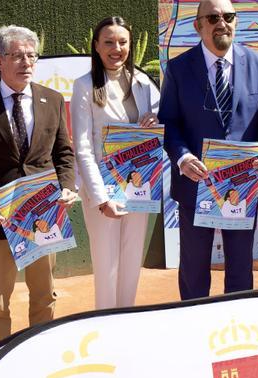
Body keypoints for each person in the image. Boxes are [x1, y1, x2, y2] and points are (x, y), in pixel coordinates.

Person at [0, 25, 76, 345]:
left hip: (44, 216)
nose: (26, 62)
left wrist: (66, 186)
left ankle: (39, 351)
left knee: (44, 293)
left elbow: (64, 153)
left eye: (31, 55)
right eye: (17, 55)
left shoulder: (52, 99)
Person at [159, 0, 258, 300]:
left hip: (243, 185)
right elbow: (169, 123)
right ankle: (195, 328)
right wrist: (183, 157)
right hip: (194, 185)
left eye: (228, 16)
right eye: (212, 18)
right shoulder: (177, 68)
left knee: (240, 267)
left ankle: (236, 329)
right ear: (198, 26)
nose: (221, 23)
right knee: (194, 269)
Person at [70, 16, 160, 309]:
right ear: (96, 46)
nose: (116, 48)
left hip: (139, 187)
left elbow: (162, 129)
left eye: (122, 42)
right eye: (108, 42)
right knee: (107, 266)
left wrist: (156, 122)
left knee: (132, 261)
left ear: (130, 46)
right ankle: (105, 321)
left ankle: (127, 319)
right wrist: (100, 197)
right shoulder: (84, 86)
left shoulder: (145, 83)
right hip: (104, 192)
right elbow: (82, 147)